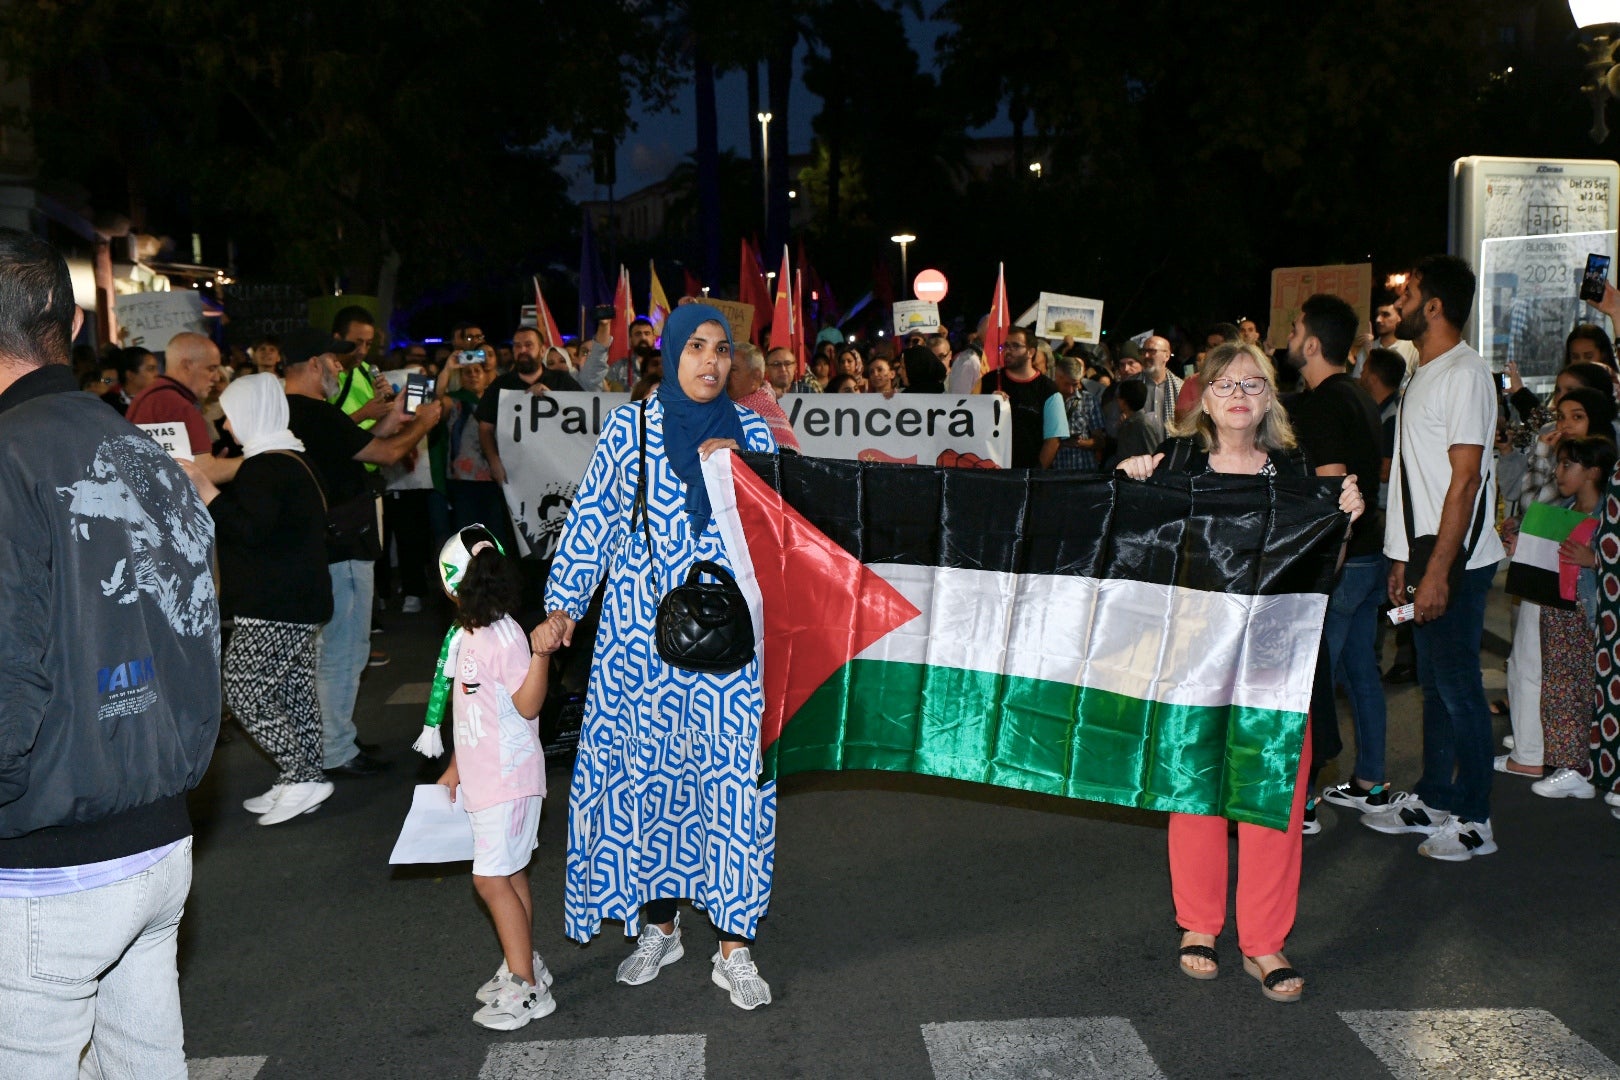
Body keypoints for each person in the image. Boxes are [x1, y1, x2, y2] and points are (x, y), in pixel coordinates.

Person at [0, 228, 219, 1077]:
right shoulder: (140, 446)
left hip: (51, 855)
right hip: (159, 839)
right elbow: (197, 625)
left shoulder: (10, 458)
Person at [541, 303, 779, 1010]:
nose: (710, 362)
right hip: (639, 647)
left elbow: (787, 528)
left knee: (735, 783)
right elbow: (592, 518)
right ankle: (661, 925)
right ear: (670, 354)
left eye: (721, 350)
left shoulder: (754, 431)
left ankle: (735, 945)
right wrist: (563, 605)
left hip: (732, 649)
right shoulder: (632, 429)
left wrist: (740, 469)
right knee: (652, 785)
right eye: (696, 347)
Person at [1118, 342, 1365, 1003]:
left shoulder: (1293, 473)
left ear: (1268, 398)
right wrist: (1126, 480)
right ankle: (1197, 925)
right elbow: (1125, 549)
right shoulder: (1174, 466)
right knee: (1195, 793)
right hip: (1193, 661)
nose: (1238, 395)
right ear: (1202, 395)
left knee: (1273, 802)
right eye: (1225, 383)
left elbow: (1322, 576)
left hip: (1275, 664)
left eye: (1252, 384)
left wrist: (1341, 525)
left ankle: (1264, 941)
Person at [1362, 255, 1506, 861]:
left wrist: (1440, 571)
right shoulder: (1425, 370)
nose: (1401, 302)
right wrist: (1401, 558)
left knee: (1459, 688)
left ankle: (1475, 819)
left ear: (1436, 306)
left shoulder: (1466, 375)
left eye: (1411, 292)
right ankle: (1435, 796)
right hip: (1424, 556)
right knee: (1436, 685)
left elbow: (1464, 481)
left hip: (1458, 563)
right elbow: (1413, 481)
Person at [281, 327, 442, 775]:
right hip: (344, 542)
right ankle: (335, 750)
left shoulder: (287, 412)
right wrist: (424, 424)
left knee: (326, 650)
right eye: (332, 362)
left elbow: (356, 443)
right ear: (314, 365)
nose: (338, 368)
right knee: (344, 651)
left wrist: (390, 419)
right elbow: (387, 454)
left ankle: (333, 741)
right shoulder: (320, 413)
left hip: (313, 543)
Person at [183, 373, 335, 824]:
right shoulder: (291, 459)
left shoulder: (265, 467)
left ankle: (302, 777)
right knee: (293, 692)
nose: (226, 428)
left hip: (276, 605)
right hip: (297, 601)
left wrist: (206, 491)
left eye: (229, 417)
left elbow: (248, 530)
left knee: (245, 689)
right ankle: (302, 776)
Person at [430, 527, 563, 1030]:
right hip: (489, 777)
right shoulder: (469, 634)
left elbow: (526, 706)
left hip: (509, 781)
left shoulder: (502, 635)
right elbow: (472, 711)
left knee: (489, 880)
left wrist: (540, 655)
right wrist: (455, 769)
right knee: (508, 874)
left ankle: (527, 987)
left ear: (450, 587)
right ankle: (523, 963)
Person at [1282, 296, 1391, 819]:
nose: (1289, 333)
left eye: (1295, 326)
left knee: (1314, 682)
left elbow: (1332, 488)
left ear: (1313, 343)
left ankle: (1300, 801)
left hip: (1344, 561)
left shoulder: (1325, 402)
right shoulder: (1360, 395)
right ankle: (1370, 778)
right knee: (1360, 671)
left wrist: (1324, 562)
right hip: (1371, 553)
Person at [1507, 436, 1614, 801]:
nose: (1558, 471)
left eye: (1568, 464)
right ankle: (1573, 765)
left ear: (1594, 472)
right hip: (1558, 611)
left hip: (1589, 616)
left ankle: (1583, 766)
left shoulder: (1607, 518)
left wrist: (1596, 560)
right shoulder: (1563, 509)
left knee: (1589, 691)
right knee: (1562, 690)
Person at [126, 331, 241, 483]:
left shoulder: (150, 396)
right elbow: (206, 472)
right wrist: (258, 459)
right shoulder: (176, 405)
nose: (217, 377)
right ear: (187, 365)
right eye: (211, 368)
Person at [478, 325, 584, 488]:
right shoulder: (500, 385)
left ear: (542, 351)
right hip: (515, 473)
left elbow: (585, 417)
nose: (522, 350)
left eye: (528, 345)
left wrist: (554, 399)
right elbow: (485, 428)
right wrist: (494, 462)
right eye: (517, 346)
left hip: (558, 470)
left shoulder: (562, 380)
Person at [982, 326, 1068, 468]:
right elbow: (974, 421)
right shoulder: (990, 381)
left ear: (1031, 352)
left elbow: (1053, 439)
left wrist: (1035, 474)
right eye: (1006, 345)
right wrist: (987, 403)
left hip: (1027, 474)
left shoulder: (1048, 389)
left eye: (1015, 346)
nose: (1008, 351)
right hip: (992, 470)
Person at [728, 342, 801, 452]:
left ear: (755, 376)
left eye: (733, 369)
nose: (725, 375)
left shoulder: (768, 414)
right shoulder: (722, 407)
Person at [1051, 354, 1104, 470]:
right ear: (1057, 376)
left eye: (1075, 384)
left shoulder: (1089, 400)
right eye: (1066, 384)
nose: (1071, 389)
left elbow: (1100, 440)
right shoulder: (1046, 398)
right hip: (1054, 470)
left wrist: (1079, 443)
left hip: (1084, 468)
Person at [582, 315, 657, 391]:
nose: (643, 338)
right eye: (638, 334)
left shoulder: (664, 366)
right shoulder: (619, 367)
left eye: (647, 334)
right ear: (630, 340)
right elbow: (602, 389)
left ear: (654, 338)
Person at [1139, 335, 1184, 432]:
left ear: (1166, 356)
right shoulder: (1131, 385)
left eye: (1152, 351)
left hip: (1170, 445)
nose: (1146, 356)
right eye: (1143, 351)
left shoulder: (1181, 387)